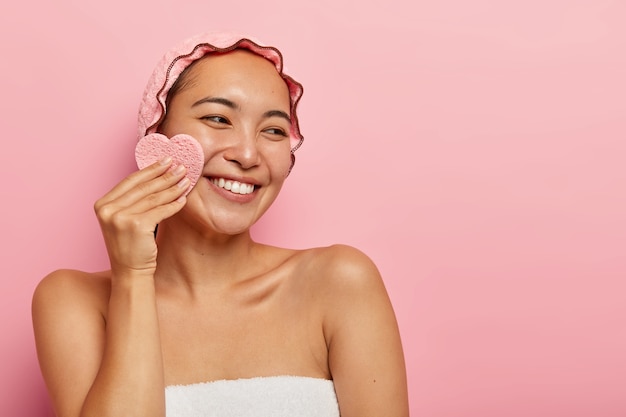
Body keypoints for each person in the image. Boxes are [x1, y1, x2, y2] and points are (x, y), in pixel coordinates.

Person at [32, 32, 409, 417]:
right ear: (156, 138)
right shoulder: (74, 301)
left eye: (274, 130)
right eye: (217, 118)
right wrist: (133, 275)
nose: (248, 155)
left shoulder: (340, 282)